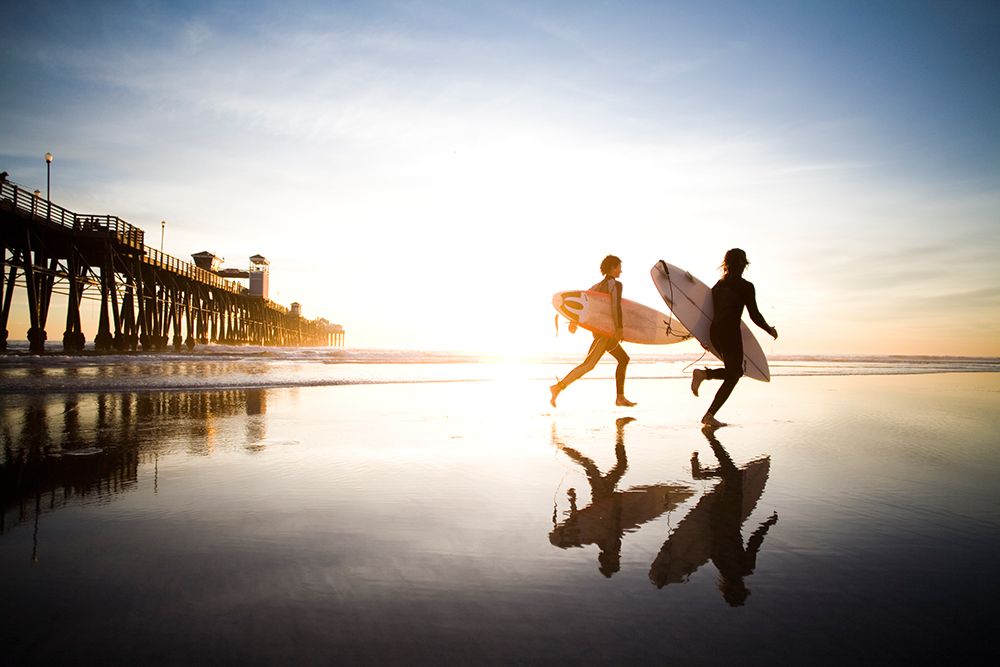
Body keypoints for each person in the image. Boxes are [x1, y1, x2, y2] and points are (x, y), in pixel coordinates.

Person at [690, 248, 777, 427]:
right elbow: (754, 315)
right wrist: (769, 329)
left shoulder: (718, 286)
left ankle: (704, 377)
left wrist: (703, 337)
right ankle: (708, 412)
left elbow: (707, 313)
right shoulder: (745, 287)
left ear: (726, 264)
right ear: (743, 264)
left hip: (715, 332)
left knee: (735, 372)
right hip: (730, 333)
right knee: (734, 374)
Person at [550, 255, 636, 407]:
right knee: (588, 365)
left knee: (623, 359)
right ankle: (558, 387)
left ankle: (620, 397)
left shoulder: (597, 286)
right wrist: (619, 329)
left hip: (602, 332)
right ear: (612, 267)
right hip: (606, 334)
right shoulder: (615, 285)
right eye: (619, 267)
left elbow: (584, 304)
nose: (621, 271)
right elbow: (616, 306)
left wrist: (574, 321)